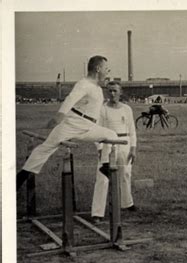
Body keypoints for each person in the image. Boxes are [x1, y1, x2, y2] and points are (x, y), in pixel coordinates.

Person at [16, 55, 119, 190]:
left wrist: (99, 145)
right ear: (98, 68)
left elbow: (95, 112)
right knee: (45, 149)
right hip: (72, 124)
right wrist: (59, 116)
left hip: (89, 127)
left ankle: (105, 166)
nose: (108, 72)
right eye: (106, 69)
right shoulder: (84, 84)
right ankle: (18, 181)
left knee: (112, 135)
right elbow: (70, 99)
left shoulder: (98, 88)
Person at [91, 82, 137, 223]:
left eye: (115, 91)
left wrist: (133, 148)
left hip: (124, 143)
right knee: (103, 178)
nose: (112, 94)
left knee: (125, 174)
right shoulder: (102, 109)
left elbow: (132, 130)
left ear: (120, 92)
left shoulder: (127, 109)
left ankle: (127, 203)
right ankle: (97, 212)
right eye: (110, 91)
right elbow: (96, 130)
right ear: (107, 93)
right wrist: (99, 148)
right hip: (108, 144)